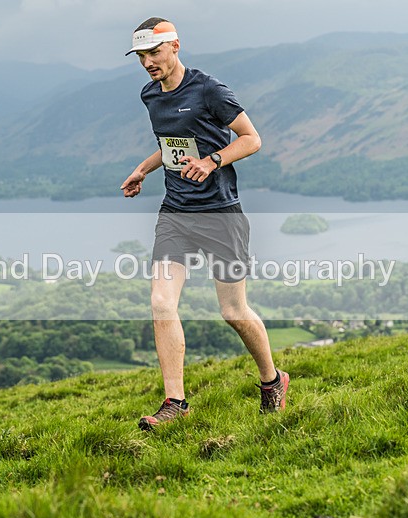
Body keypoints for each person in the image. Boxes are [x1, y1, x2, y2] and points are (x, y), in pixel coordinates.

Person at [120, 17, 289, 431]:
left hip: (219, 213)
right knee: (161, 303)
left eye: (154, 52)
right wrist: (143, 169)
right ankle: (175, 403)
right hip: (176, 213)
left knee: (233, 311)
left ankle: (272, 380)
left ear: (175, 46)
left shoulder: (208, 89)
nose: (148, 62)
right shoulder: (149, 95)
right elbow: (171, 145)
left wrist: (213, 160)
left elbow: (251, 138)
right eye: (141, 56)